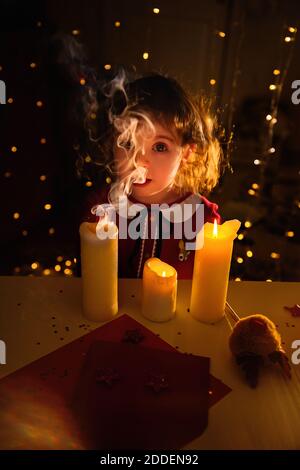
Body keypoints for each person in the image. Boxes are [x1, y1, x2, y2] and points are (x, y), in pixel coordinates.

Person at [80, 72, 224, 279]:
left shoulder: (202, 220)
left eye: (159, 146)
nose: (139, 160)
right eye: (128, 143)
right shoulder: (101, 209)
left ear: (186, 153)